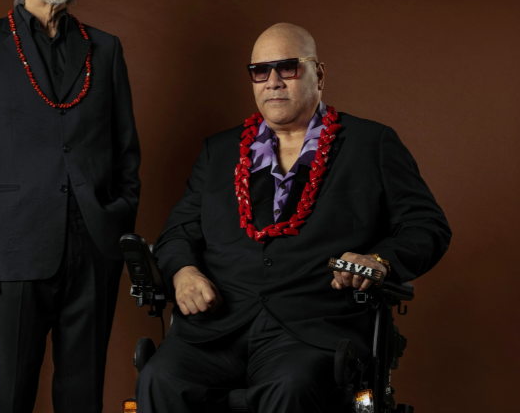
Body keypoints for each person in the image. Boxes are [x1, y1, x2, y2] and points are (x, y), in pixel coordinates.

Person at [137, 23, 452, 412]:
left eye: (287, 67)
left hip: (313, 330)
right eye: (260, 71)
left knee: (291, 386)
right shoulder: (218, 152)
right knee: (159, 378)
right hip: (217, 327)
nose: (272, 82)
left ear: (318, 74)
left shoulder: (373, 144)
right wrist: (183, 271)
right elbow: (178, 232)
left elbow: (427, 226)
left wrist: (379, 261)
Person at [0, 0, 141, 412]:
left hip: (96, 244)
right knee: (11, 394)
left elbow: (126, 149)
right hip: (13, 247)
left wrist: (118, 214)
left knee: (83, 395)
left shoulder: (106, 49)